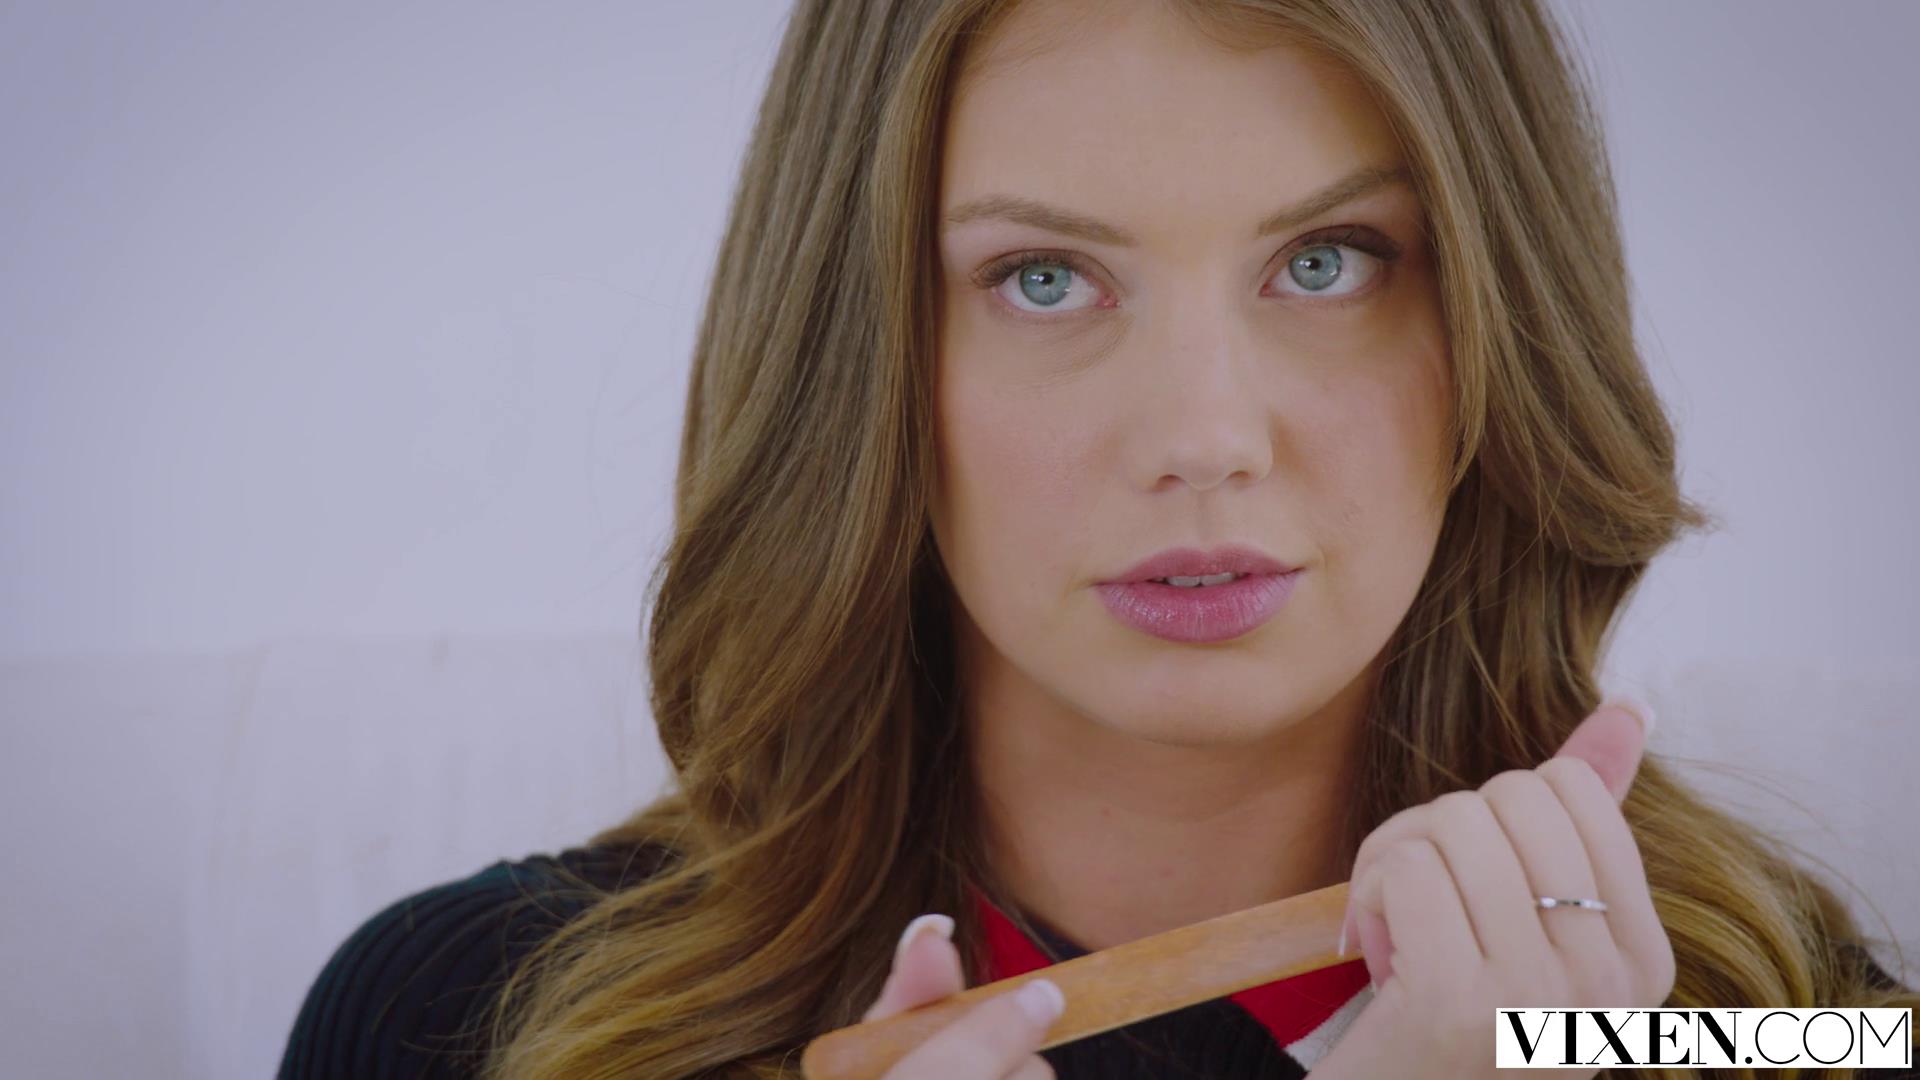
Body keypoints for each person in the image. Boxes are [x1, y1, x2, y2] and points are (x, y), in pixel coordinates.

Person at [278, 0, 1920, 1077]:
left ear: (1500, 323)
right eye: (1044, 279)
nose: (1203, 437)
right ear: (864, 365)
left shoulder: (1796, 1029)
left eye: (1331, 260)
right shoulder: (456, 1019)